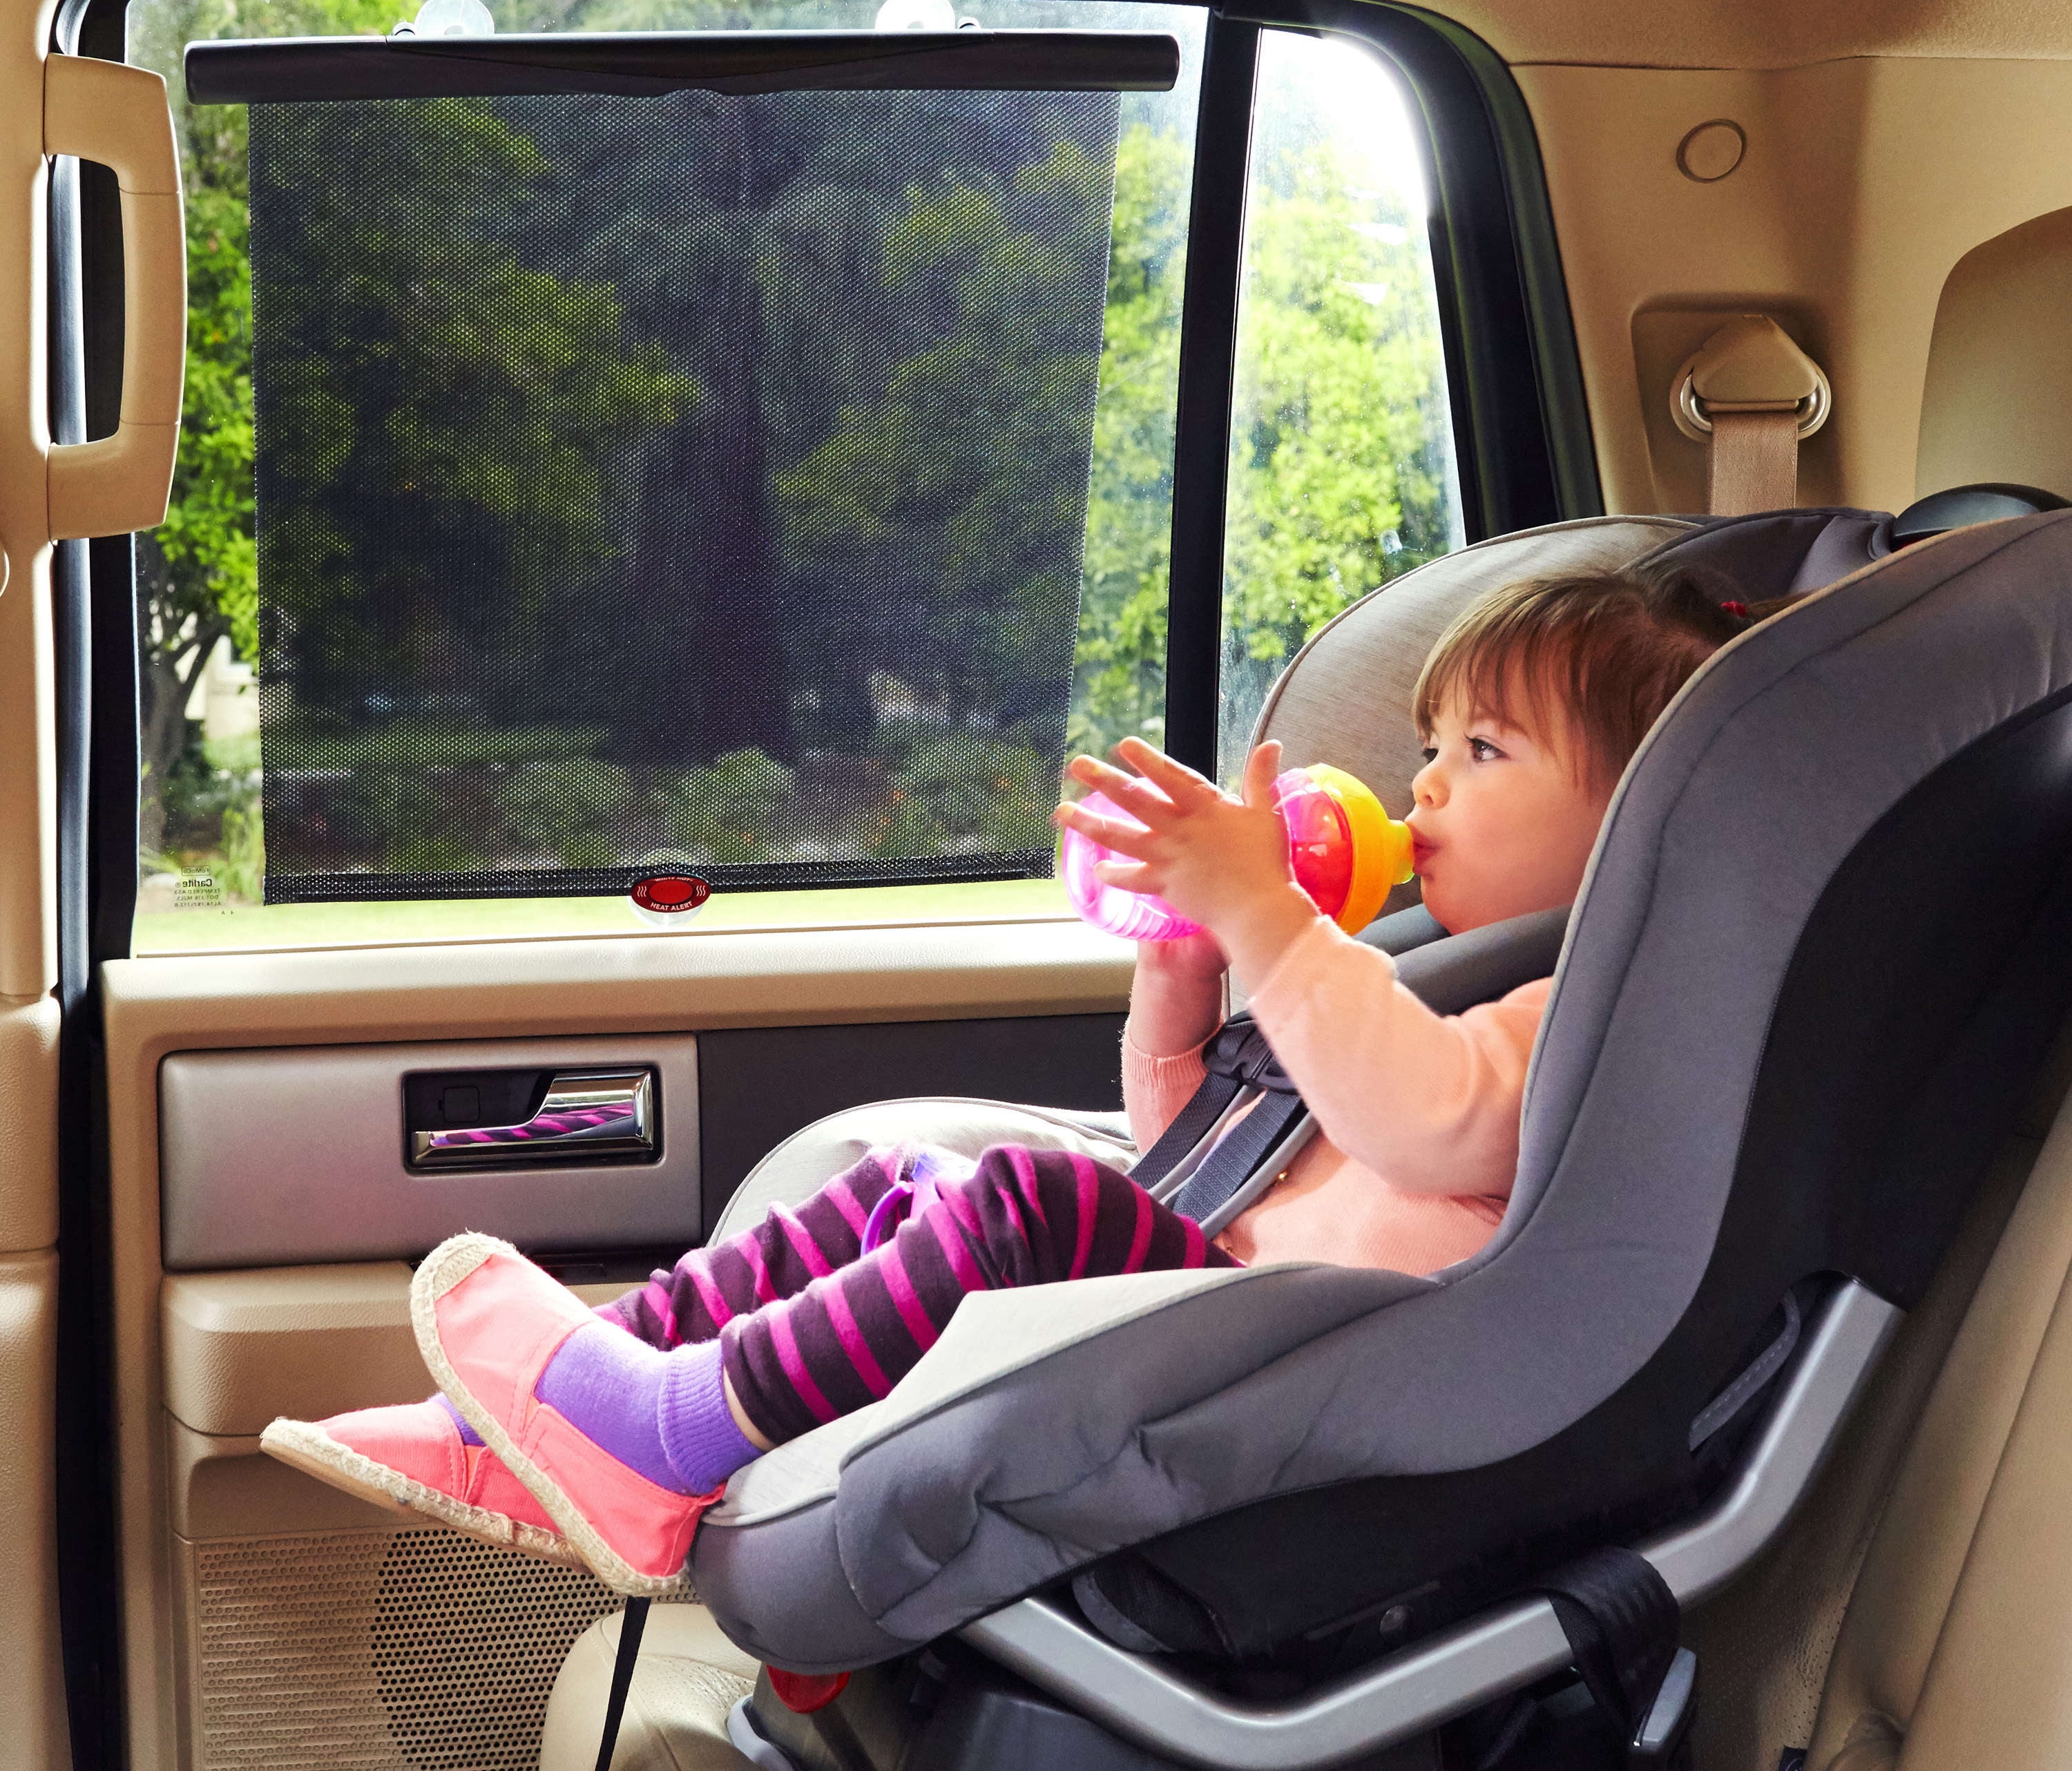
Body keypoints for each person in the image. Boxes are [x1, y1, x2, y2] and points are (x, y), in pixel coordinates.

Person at [262, 560, 1749, 1593]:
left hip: (1313, 1381)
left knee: (1034, 1203)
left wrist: (1269, 917)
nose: (1422, 782)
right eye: (1430, 741)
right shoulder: (1443, 981)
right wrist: (1185, 968)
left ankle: (665, 1436)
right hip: (1230, 1304)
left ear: (1647, 817)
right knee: (923, 1184)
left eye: (1483, 750)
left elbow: (1426, 1123)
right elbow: (1191, 1161)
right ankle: (547, 1418)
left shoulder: (1581, 1017)